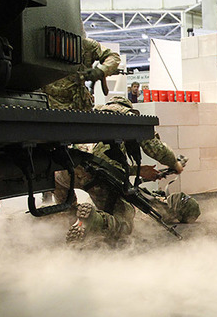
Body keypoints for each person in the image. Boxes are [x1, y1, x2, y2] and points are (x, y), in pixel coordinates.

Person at [54, 96, 200, 243]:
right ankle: (94, 221)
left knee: (67, 205)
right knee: (125, 222)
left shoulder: (90, 114)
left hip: (64, 171)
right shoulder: (126, 118)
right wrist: (175, 164)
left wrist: (138, 170)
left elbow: (101, 159)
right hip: (96, 177)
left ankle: (68, 222)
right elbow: (156, 149)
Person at [42, 37, 121, 111]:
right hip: (50, 101)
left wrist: (101, 71)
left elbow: (114, 57)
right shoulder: (44, 41)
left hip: (78, 102)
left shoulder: (86, 44)